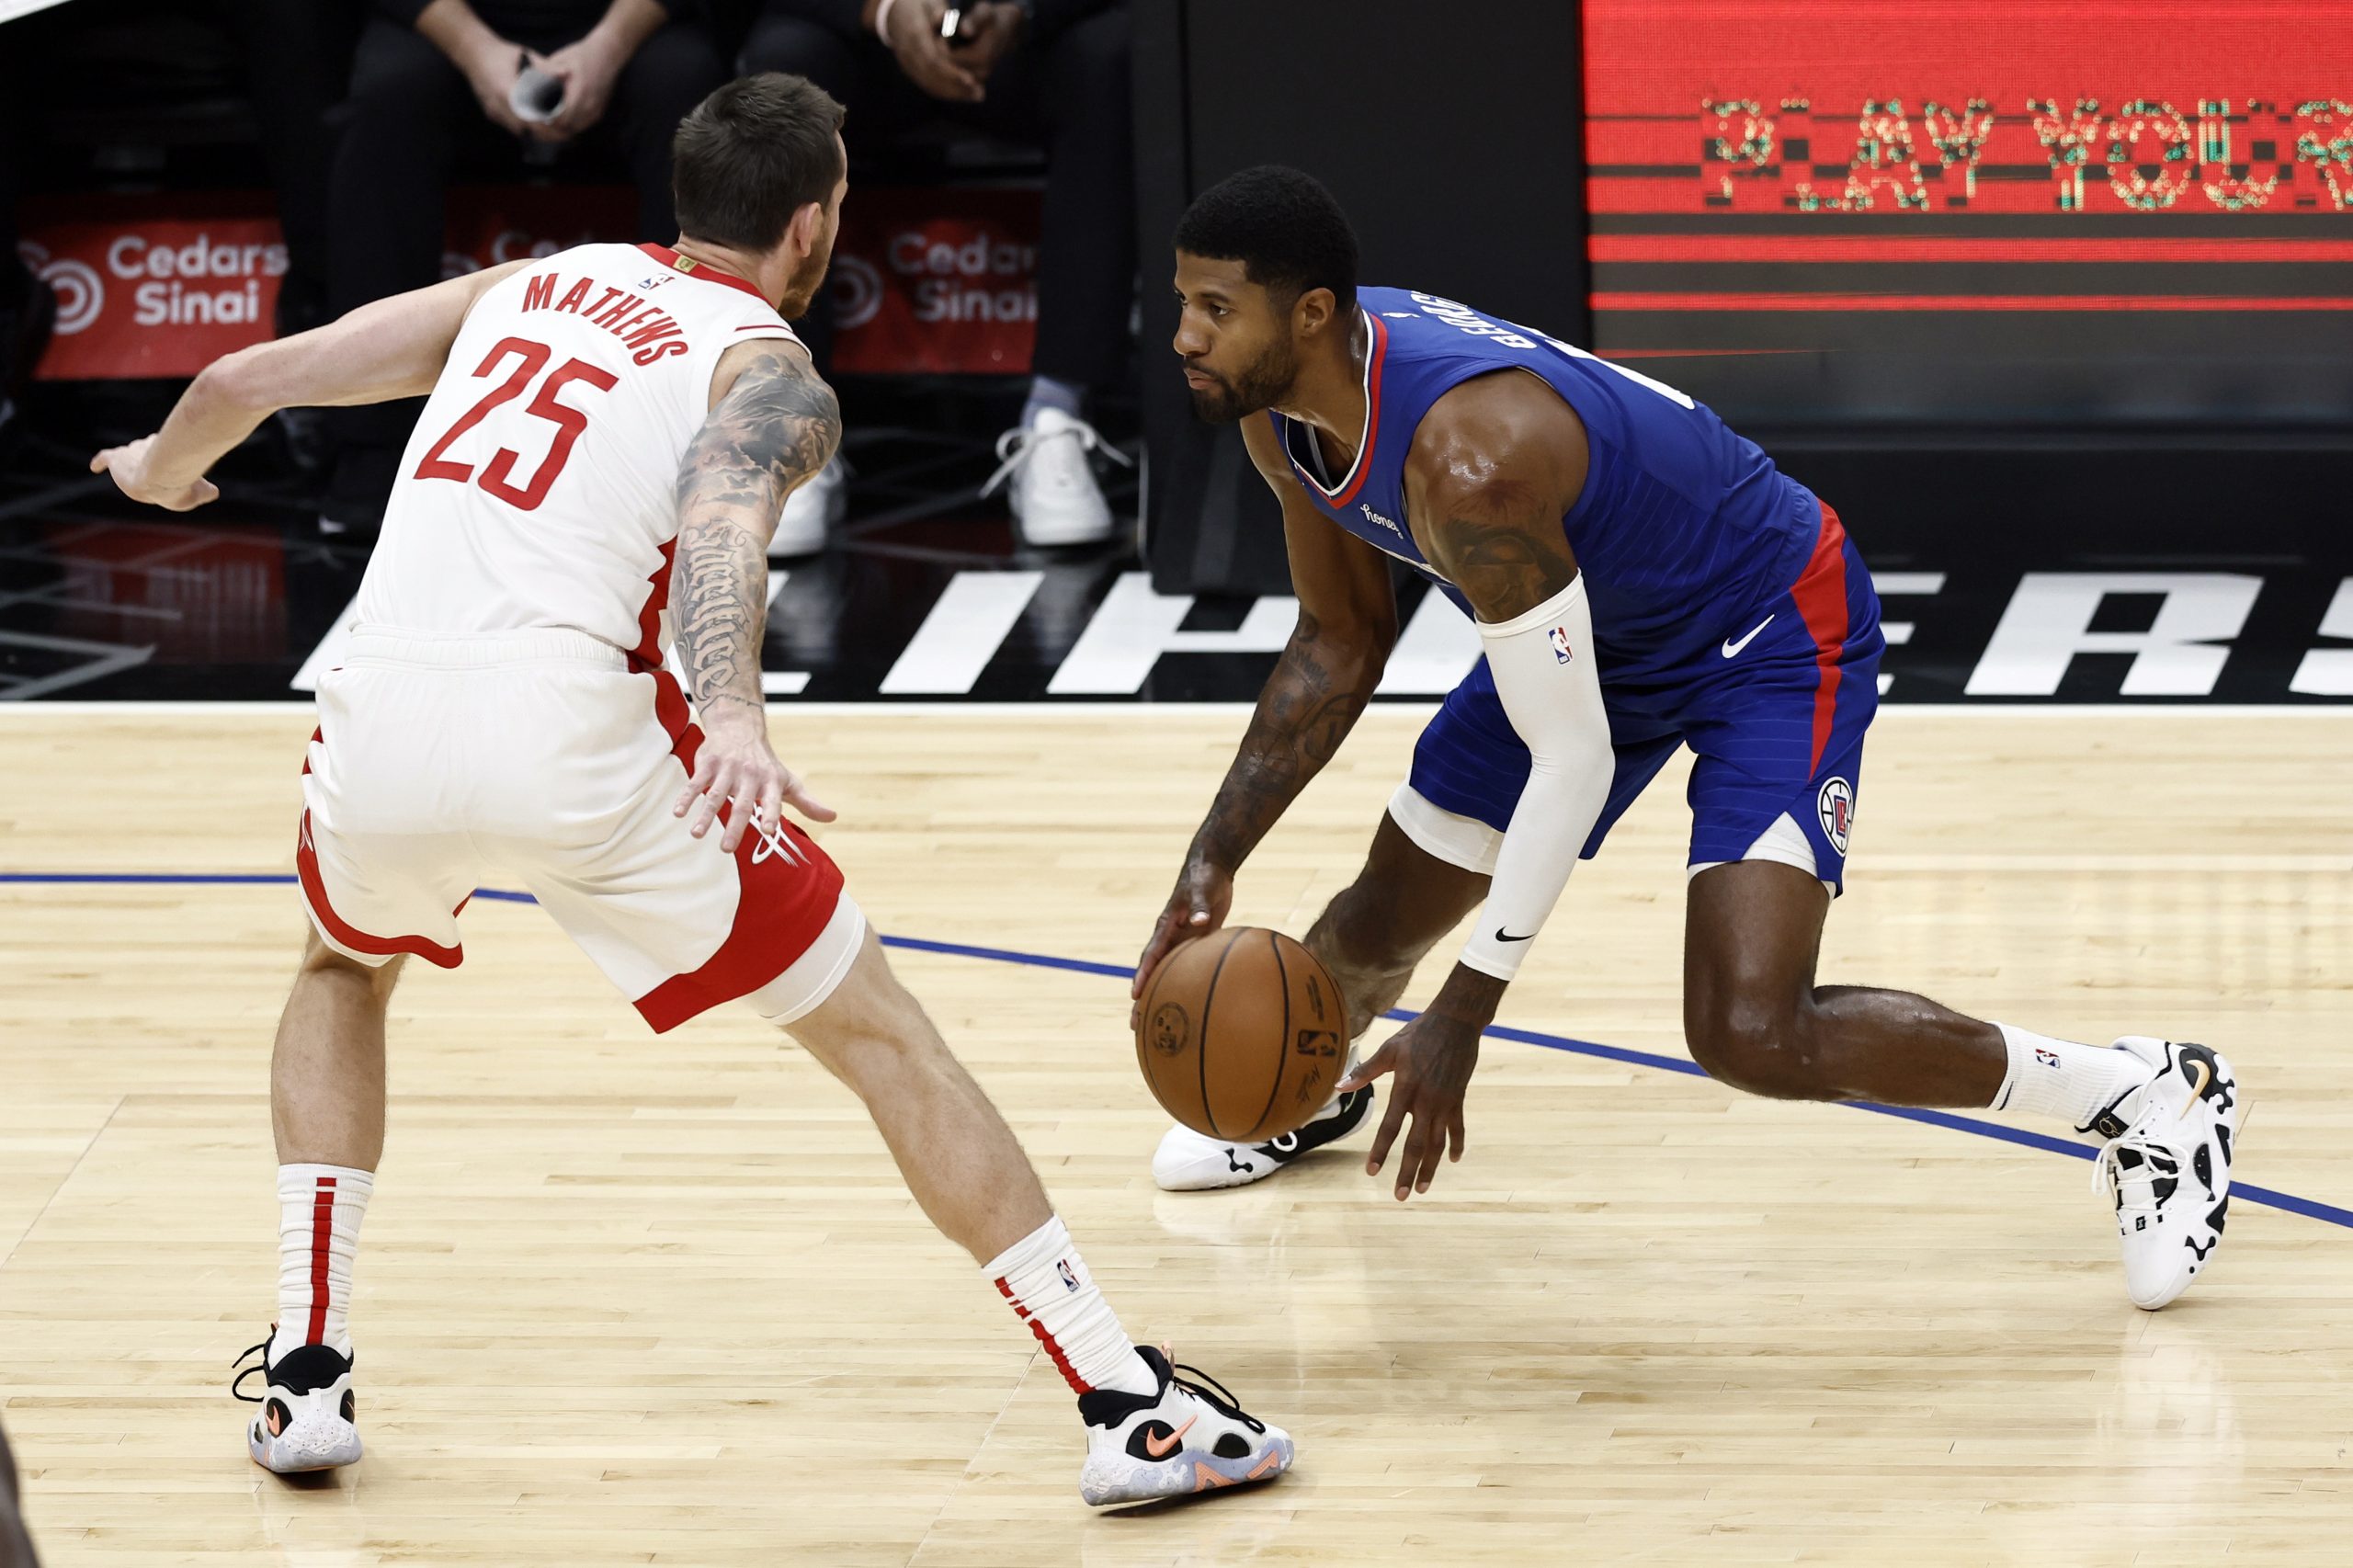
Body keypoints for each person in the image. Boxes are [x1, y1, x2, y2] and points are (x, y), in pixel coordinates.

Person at [90, 74, 1291, 1508]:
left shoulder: (536, 281)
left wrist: (159, 472)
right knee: (883, 1039)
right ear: (811, 225)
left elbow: (244, 384)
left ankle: (303, 1373)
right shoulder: (767, 365)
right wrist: (732, 710)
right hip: (578, 737)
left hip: (377, 706)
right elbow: (726, 520)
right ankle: (1126, 1404)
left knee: (341, 966)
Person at [1132, 165, 2240, 1313]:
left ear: (1309, 313)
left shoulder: (1470, 464)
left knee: (1751, 1028)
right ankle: (1304, 1079)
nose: (1184, 336)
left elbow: (1574, 763)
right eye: (1184, 303)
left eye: (1215, 309)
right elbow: (1338, 639)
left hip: (1763, 622)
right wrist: (1212, 855)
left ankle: (2142, 1094)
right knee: (1368, 924)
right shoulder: (1285, 408)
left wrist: (1463, 1010)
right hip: (1590, 622)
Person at [318, 0, 730, 534]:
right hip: (444, 22)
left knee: (685, 85)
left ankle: (686, 433)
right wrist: (474, 48)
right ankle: (369, 446)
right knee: (391, 91)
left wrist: (608, 46)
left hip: (632, 22)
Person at [740, 0, 1135, 553]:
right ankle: (794, 425)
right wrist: (882, 13)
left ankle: (1058, 415)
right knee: (784, 58)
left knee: (1110, 51)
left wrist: (1024, 11)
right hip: (858, 44)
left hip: (1026, 42)